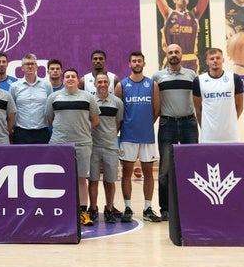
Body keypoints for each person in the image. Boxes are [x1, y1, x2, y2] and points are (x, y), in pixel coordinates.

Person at [46, 68, 100, 226]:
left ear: (78, 80)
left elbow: (95, 120)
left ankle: (83, 213)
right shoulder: (53, 97)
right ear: (63, 80)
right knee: (58, 178)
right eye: (67, 76)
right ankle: (60, 211)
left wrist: (81, 129)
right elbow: (50, 119)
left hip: (83, 144)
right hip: (59, 144)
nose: (70, 79)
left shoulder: (88, 97)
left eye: (73, 77)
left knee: (81, 179)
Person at [152, 44, 198, 221]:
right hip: (167, 125)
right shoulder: (157, 77)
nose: (173, 55)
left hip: (189, 124)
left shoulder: (191, 75)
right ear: (166, 54)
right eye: (170, 52)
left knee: (192, 166)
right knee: (164, 169)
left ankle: (192, 204)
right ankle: (165, 209)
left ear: (181, 54)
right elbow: (154, 103)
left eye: (176, 52)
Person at [114, 51, 161, 223]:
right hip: (127, 136)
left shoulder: (152, 84)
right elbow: (118, 113)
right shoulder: (121, 85)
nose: (136, 63)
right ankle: (127, 207)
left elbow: (156, 111)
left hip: (147, 136)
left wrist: (145, 125)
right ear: (129, 64)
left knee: (148, 173)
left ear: (144, 63)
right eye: (133, 61)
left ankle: (148, 208)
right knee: (126, 173)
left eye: (139, 61)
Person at [156, 0, 209, 73]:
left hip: (190, 61)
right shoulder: (169, 14)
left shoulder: (194, 15)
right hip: (171, 59)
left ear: (189, 0)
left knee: (191, 90)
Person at [89, 72, 123, 224]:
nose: (102, 84)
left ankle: (109, 209)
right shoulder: (89, 101)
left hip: (110, 147)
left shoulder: (117, 102)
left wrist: (110, 137)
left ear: (109, 84)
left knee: (110, 181)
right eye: (99, 82)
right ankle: (93, 208)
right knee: (93, 180)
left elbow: (118, 123)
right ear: (95, 84)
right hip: (93, 146)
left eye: (105, 82)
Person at [192, 47, 243, 143]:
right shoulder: (199, 81)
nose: (215, 61)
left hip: (230, 134)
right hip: (208, 135)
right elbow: (198, 110)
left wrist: (230, 121)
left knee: (230, 158)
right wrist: (205, 127)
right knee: (209, 158)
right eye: (212, 59)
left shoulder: (234, 78)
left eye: (218, 58)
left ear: (223, 60)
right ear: (207, 62)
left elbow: (239, 106)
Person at [9, 53, 52, 144]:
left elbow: (50, 108)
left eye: (33, 64)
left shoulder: (47, 85)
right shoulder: (14, 87)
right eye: (27, 64)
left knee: (43, 158)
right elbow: (11, 110)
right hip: (21, 132)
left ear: (37, 67)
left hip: (42, 132)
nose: (30, 66)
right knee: (20, 158)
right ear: (22, 68)